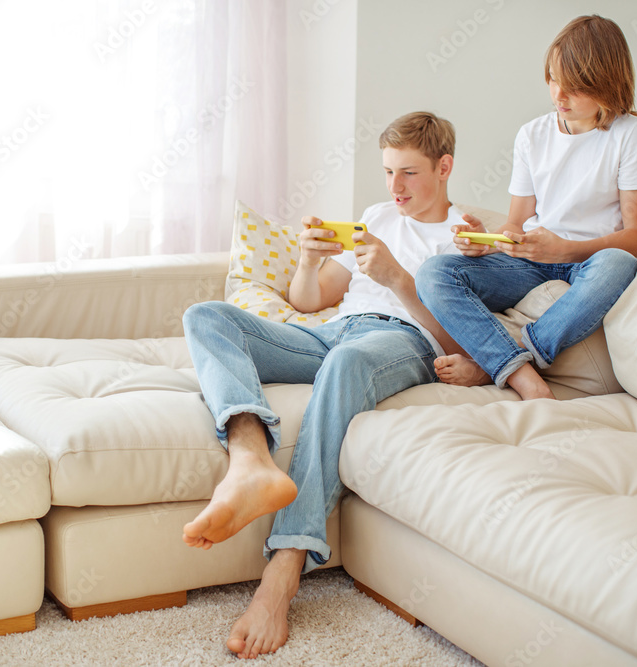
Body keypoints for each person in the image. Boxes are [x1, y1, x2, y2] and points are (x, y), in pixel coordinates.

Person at [181, 111, 468, 659]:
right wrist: (311, 263)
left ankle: (283, 570)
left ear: (444, 167)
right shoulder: (376, 217)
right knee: (207, 317)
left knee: (347, 363)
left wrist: (399, 281)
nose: (395, 187)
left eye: (408, 173)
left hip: (403, 341)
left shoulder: (462, 237)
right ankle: (248, 459)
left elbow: (457, 341)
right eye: (387, 172)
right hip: (335, 331)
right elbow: (309, 301)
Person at [415, 15, 637, 401]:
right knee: (433, 274)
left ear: (608, 85)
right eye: (553, 79)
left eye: (574, 88)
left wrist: (566, 249)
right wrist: (490, 242)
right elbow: (515, 224)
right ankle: (518, 370)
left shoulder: (630, 135)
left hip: (590, 260)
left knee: (619, 264)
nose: (558, 96)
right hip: (533, 260)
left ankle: (502, 361)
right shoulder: (532, 135)